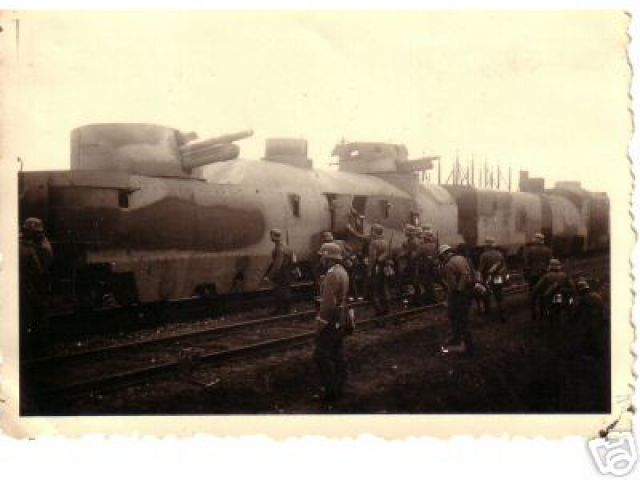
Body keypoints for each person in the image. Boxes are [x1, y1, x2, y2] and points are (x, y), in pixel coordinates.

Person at [313, 242, 350, 402]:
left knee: (321, 355)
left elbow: (328, 304)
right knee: (337, 353)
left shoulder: (332, 274)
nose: (321, 259)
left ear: (328, 258)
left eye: (322, 256)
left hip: (331, 320)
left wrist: (320, 324)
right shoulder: (342, 271)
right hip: (340, 318)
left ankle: (330, 391)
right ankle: (340, 386)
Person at [19, 217, 54, 356]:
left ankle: (39, 349)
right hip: (35, 286)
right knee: (36, 317)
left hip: (37, 286)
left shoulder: (42, 248)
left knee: (37, 317)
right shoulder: (37, 245)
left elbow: (39, 270)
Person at [439, 244, 475, 354]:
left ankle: (465, 345)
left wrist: (455, 293)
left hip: (458, 295)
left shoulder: (449, 265)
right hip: (468, 291)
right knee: (464, 318)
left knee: (456, 318)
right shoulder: (462, 258)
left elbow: (452, 286)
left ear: (445, 254)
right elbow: (469, 273)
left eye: (442, 256)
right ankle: (461, 341)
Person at [531, 258, 576, 327]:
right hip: (562, 300)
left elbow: (535, 290)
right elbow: (573, 288)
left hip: (550, 300)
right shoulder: (565, 276)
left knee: (550, 315)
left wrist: (534, 301)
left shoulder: (546, 277)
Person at [263, 228, 296, 315]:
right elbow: (293, 259)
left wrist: (269, 276)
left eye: (271, 235)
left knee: (279, 291)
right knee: (285, 290)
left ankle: (280, 310)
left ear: (274, 236)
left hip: (282, 273)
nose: (270, 238)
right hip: (286, 271)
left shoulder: (279, 248)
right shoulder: (286, 246)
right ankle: (287, 310)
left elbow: (277, 264)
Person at [572, 279, 607, 358]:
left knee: (590, 336)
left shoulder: (585, 298)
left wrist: (573, 320)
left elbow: (579, 311)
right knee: (597, 336)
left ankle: (592, 353)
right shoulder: (596, 295)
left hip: (592, 319)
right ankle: (597, 352)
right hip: (599, 318)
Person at [523, 233, 553, 321]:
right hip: (544, 275)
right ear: (542, 240)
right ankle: (542, 313)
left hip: (533, 275)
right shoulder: (548, 250)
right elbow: (551, 263)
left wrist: (526, 274)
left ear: (535, 240)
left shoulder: (530, 250)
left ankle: (533, 313)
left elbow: (526, 264)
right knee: (543, 294)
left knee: (533, 294)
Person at [478, 236, 507, 322]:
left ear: (486, 245)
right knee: (499, 297)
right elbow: (504, 266)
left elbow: (481, 269)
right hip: (498, 277)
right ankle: (502, 315)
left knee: (486, 296)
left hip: (488, 278)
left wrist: (480, 279)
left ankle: (489, 316)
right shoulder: (499, 254)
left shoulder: (484, 255)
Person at [367, 223, 391, 316]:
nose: (371, 232)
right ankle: (386, 309)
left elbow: (372, 258)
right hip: (384, 267)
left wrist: (369, 270)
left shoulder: (374, 243)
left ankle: (379, 311)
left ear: (375, 232)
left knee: (373, 290)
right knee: (384, 288)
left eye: (372, 231)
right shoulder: (385, 242)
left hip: (376, 267)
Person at [417, 225, 439, 305]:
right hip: (433, 265)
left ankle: (433, 299)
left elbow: (417, 255)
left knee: (426, 283)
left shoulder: (422, 246)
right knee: (430, 283)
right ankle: (431, 298)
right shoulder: (434, 245)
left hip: (425, 267)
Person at [401, 224, 421, 305]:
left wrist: (406, 253)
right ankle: (415, 299)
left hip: (415, 264)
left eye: (406, 231)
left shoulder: (415, 241)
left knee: (415, 282)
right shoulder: (409, 241)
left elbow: (416, 253)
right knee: (412, 281)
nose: (405, 233)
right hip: (411, 263)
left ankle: (417, 300)